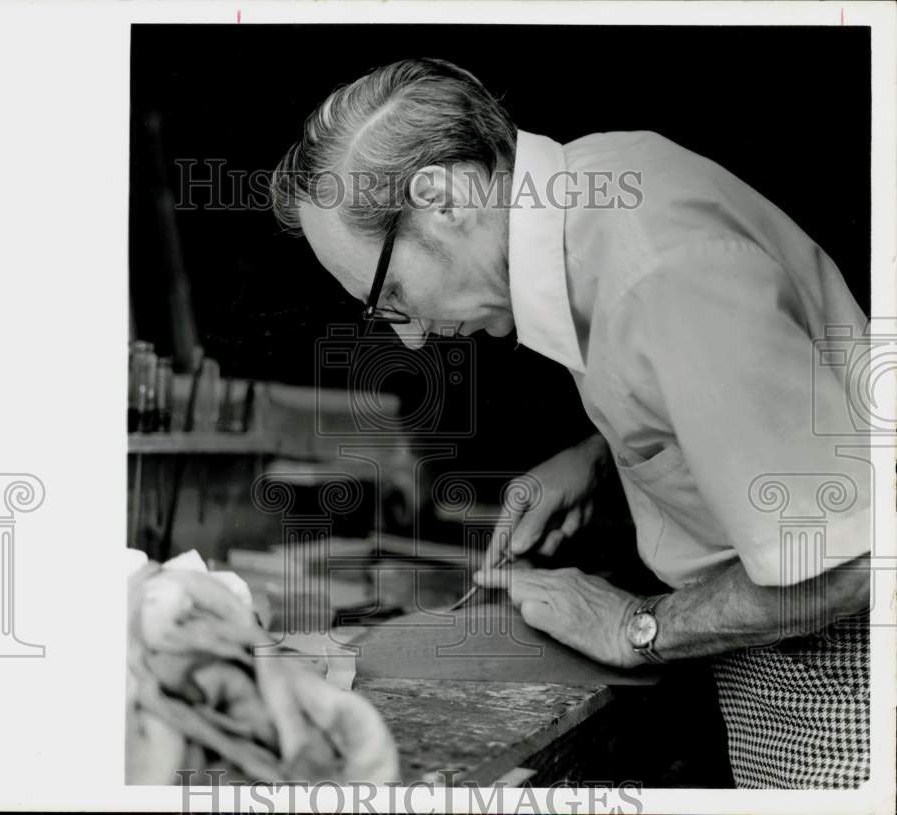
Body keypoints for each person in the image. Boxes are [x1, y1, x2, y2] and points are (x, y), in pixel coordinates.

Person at [270, 58, 872, 788]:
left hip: (854, 681)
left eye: (390, 295)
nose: (411, 338)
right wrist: (601, 460)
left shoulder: (657, 269)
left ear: (447, 196)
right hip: (777, 661)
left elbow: (847, 565)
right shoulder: (603, 187)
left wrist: (637, 626)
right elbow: (717, 380)